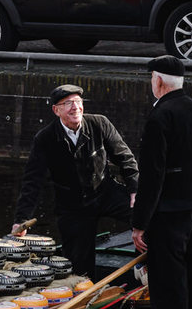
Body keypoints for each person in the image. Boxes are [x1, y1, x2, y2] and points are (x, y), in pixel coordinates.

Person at [131, 55, 192, 309]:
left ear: (158, 81)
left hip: (168, 215)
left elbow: (151, 176)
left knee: (168, 280)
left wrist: (139, 223)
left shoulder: (159, 117)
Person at [12, 84, 139, 276]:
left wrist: (134, 190)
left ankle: (144, 268)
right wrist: (21, 220)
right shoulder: (45, 138)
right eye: (68, 103)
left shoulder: (99, 123)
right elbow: (33, 182)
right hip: (73, 205)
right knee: (80, 268)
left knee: (146, 215)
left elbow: (125, 159)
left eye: (78, 102)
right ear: (56, 110)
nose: (75, 107)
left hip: (104, 191)